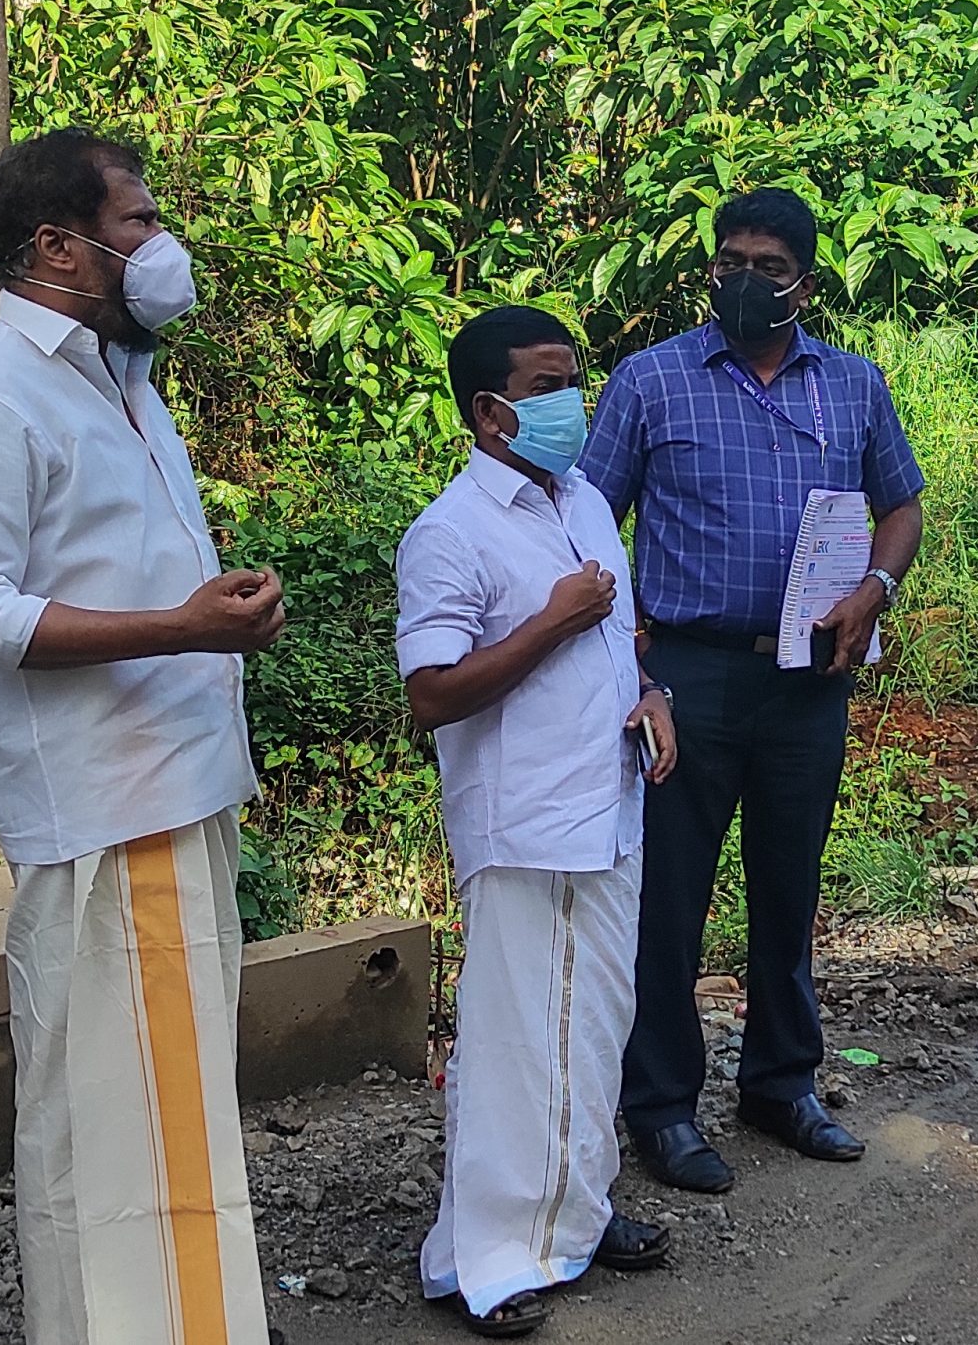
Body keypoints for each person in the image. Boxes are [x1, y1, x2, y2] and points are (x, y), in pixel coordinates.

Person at [0, 129, 288, 1345]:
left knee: (173, 1113)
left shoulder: (121, 380)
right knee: (119, 1127)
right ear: (59, 246)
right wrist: (180, 627)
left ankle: (196, 1320)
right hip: (110, 810)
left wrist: (211, 619)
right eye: (139, 222)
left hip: (179, 790)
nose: (161, 245)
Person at [580, 187, 925, 1192]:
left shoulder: (852, 385)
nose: (744, 280)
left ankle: (781, 1084)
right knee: (668, 900)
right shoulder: (651, 382)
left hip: (809, 675)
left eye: (768, 267)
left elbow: (902, 505)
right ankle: (661, 1107)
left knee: (788, 888)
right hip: (687, 674)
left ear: (804, 284)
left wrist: (876, 588)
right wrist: (632, 663)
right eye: (730, 263)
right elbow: (586, 522)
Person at [398, 306, 680, 1336]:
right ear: (490, 412)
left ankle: (575, 1215)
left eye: (575, 382)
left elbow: (619, 643)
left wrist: (649, 696)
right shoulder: (449, 532)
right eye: (547, 388)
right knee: (514, 1040)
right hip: (522, 825)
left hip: (608, 810)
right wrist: (552, 621)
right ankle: (481, 1259)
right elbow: (431, 693)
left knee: (595, 1028)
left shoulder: (587, 501)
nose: (573, 404)